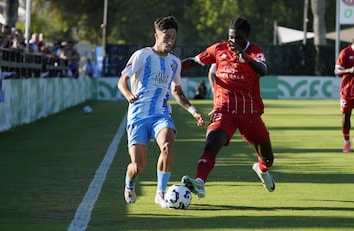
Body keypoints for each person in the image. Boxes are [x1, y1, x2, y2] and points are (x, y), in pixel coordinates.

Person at [180, 17, 275, 198]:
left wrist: (244, 56)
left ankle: (261, 169)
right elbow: (194, 61)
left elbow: (263, 70)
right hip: (224, 111)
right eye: (231, 37)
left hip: (249, 113)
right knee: (212, 143)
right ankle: (199, 182)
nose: (233, 42)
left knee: (268, 158)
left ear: (247, 36)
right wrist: (174, 67)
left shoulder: (255, 52)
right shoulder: (218, 49)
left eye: (238, 38)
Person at [117, 16, 205, 208]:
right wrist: (128, 94)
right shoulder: (142, 55)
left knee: (167, 145)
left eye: (173, 37)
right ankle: (129, 184)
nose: (170, 41)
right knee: (138, 166)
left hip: (161, 115)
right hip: (138, 117)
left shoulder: (174, 63)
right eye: (166, 36)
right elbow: (122, 80)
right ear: (156, 35)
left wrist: (193, 110)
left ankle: (160, 193)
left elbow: (177, 91)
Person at [334, 29, 354, 153]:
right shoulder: (345, 52)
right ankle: (346, 141)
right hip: (347, 89)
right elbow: (337, 71)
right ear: (353, 37)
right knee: (346, 116)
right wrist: (349, 70)